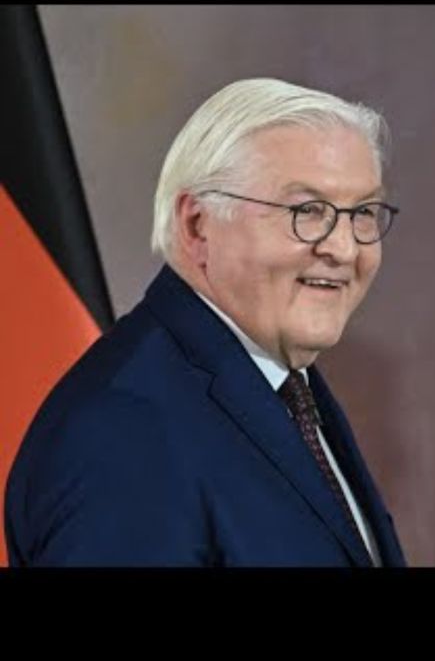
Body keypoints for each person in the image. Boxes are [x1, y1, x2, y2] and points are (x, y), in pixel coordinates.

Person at [5, 78, 405, 566]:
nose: (344, 249)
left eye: (362, 213)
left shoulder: (285, 385)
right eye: (307, 210)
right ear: (197, 225)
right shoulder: (125, 433)